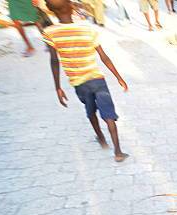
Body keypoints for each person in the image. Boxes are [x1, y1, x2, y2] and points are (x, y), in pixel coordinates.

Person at [43, 0, 129, 162]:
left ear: (51, 11)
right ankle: (118, 151)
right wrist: (118, 77)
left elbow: (54, 60)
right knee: (108, 113)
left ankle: (101, 139)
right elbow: (103, 57)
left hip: (78, 82)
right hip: (97, 79)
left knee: (90, 111)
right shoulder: (87, 29)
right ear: (71, 6)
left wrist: (58, 87)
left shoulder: (49, 32)